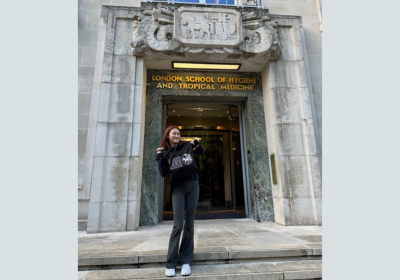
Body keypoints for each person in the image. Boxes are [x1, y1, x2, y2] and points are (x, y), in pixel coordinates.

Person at [155, 125, 205, 277]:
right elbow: (163, 173)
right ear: (168, 136)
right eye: (174, 133)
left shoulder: (186, 147)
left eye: (178, 133)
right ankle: (170, 263)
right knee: (178, 225)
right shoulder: (164, 152)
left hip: (192, 185)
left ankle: (185, 261)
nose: (177, 135)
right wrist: (159, 158)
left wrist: (197, 144)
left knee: (189, 224)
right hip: (177, 188)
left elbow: (201, 152)